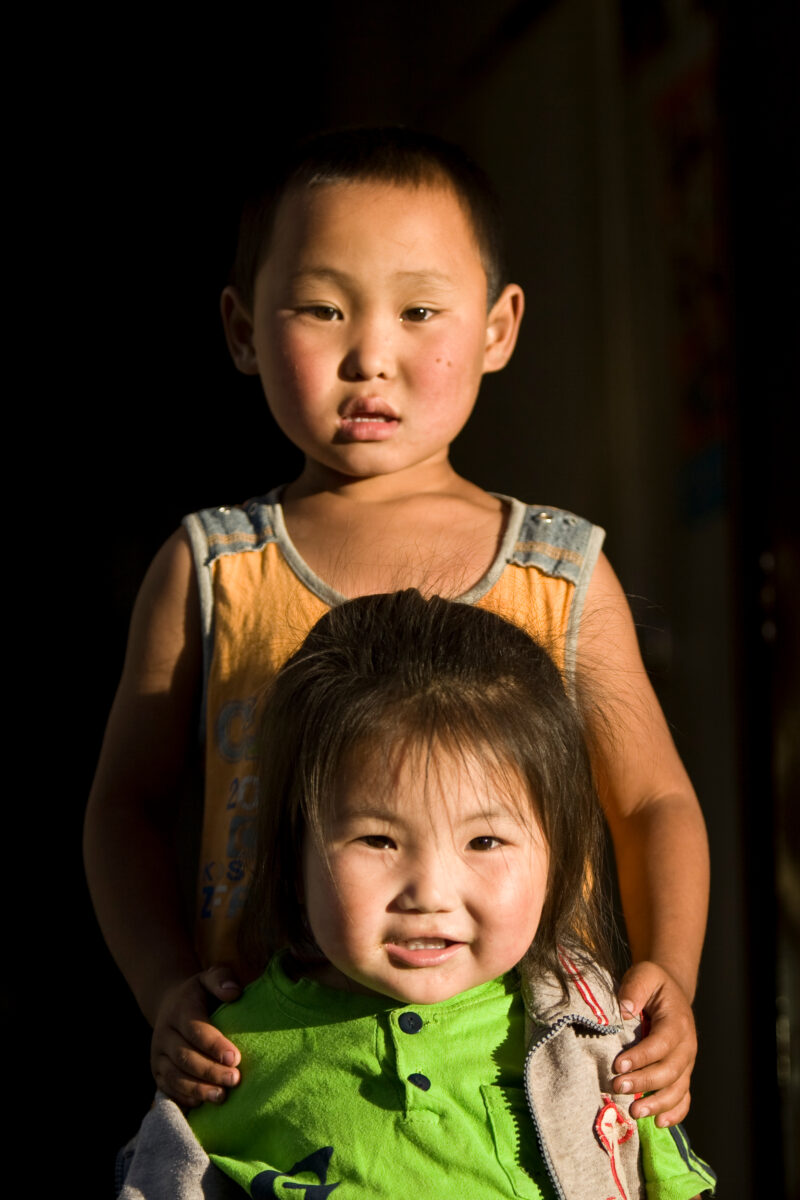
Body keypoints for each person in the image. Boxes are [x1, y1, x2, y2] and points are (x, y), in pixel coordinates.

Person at [84, 127, 708, 1129]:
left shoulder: (558, 572)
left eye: (420, 310)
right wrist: (163, 987)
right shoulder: (211, 570)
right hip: (281, 1083)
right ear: (242, 330)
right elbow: (123, 808)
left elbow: (651, 803)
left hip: (529, 1090)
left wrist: (667, 974)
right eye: (323, 309)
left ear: (498, 328)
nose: (370, 354)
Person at [118, 591, 715, 1199]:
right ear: (294, 853)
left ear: (558, 855)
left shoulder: (596, 1037)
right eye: (378, 840)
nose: (430, 893)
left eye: (484, 840)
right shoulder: (226, 1059)